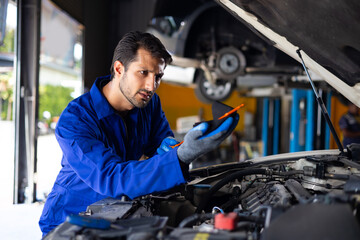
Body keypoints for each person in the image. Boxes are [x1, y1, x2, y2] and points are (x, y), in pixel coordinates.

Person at [39, 31, 239, 236]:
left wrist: (181, 146)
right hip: (69, 224)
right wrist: (181, 156)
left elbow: (163, 149)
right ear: (119, 68)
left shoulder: (149, 105)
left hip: (121, 215)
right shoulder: (76, 119)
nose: (151, 86)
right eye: (143, 72)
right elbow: (111, 178)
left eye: (158, 76)